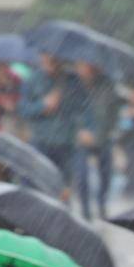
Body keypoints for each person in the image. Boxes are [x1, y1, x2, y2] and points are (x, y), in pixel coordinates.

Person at [21, 53, 85, 195]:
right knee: (35, 184)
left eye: (53, 59)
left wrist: (66, 104)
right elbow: (24, 110)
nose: (49, 62)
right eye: (45, 58)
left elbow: (83, 107)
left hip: (65, 142)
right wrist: (42, 105)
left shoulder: (73, 81)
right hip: (41, 141)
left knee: (63, 188)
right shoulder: (33, 80)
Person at [74, 61, 118, 220]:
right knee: (82, 174)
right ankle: (85, 209)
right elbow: (70, 111)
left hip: (103, 137)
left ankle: (101, 204)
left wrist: (102, 134)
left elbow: (112, 112)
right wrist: (80, 131)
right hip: (80, 138)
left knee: (106, 173)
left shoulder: (107, 85)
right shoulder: (73, 84)